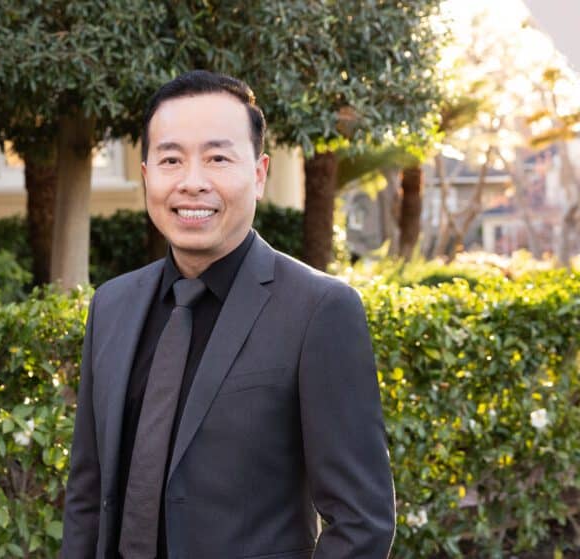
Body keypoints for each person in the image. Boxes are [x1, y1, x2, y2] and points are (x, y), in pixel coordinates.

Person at [60, 70, 395, 559]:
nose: (193, 183)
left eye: (218, 158)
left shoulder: (319, 310)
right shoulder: (112, 305)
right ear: (147, 174)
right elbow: (87, 495)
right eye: (171, 159)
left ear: (258, 174)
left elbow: (361, 521)